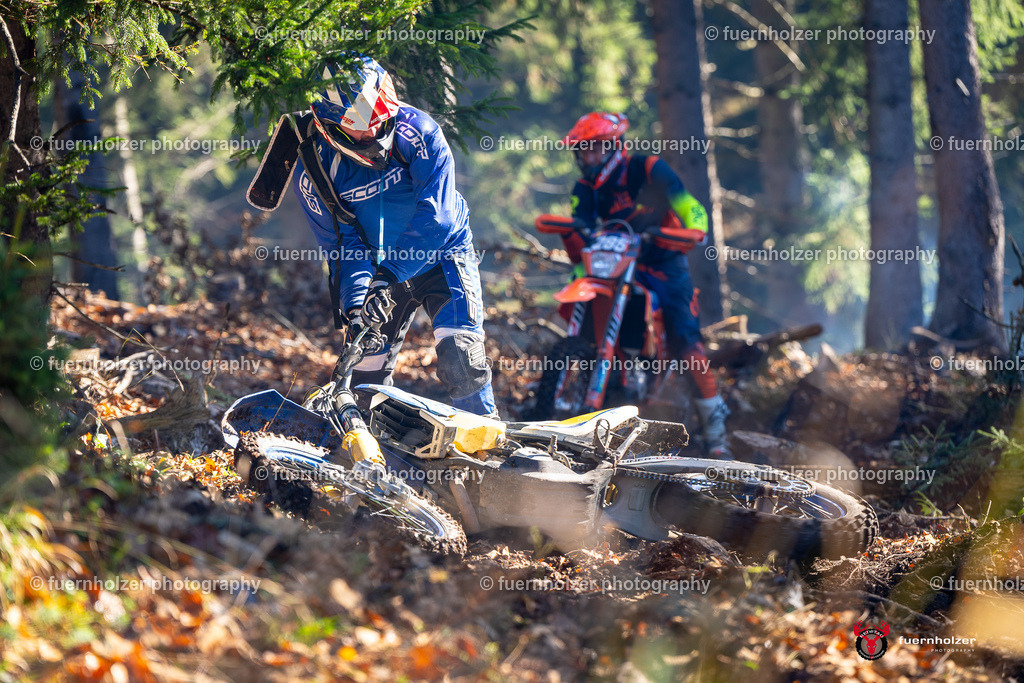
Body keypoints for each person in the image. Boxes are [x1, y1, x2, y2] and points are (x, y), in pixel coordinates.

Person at [292, 56, 497, 417]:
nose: (370, 133)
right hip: (377, 271)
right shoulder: (315, 171)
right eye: (355, 127)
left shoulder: (420, 132)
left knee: (461, 359)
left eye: (378, 118)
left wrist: (388, 274)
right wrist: (356, 306)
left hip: (442, 255)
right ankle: (378, 458)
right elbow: (343, 245)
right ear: (328, 126)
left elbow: (439, 218)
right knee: (361, 384)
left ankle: (488, 445)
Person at [548, 112, 729, 456]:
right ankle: (559, 394)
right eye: (582, 151)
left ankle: (717, 434)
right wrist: (569, 230)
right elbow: (579, 229)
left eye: (594, 150)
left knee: (688, 346)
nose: (587, 158)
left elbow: (690, 206)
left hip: (661, 263)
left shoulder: (647, 170)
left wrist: (693, 229)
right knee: (580, 301)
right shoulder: (584, 188)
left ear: (614, 147)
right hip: (613, 263)